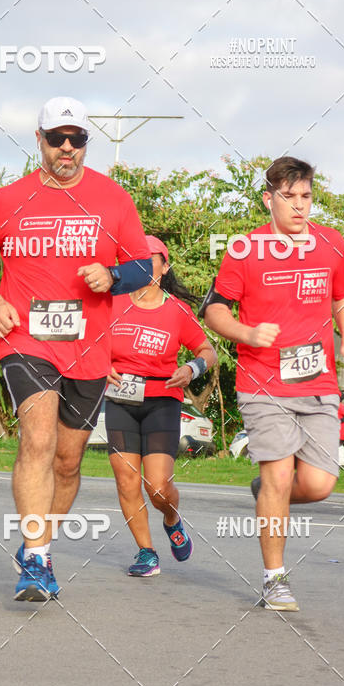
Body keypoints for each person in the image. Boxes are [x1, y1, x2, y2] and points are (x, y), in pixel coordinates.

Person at [0, 96, 152, 601]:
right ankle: (37, 561)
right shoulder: (8, 199)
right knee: (37, 441)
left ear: (87, 143)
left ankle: (40, 541)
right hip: (26, 339)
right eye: (57, 138)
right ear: (38, 140)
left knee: (67, 461)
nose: (67, 148)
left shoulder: (113, 199)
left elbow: (145, 267)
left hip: (89, 347)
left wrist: (113, 275)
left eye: (78, 139)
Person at [203, 156, 344, 612]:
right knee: (280, 473)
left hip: (318, 382)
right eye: (289, 197)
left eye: (306, 196)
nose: (300, 206)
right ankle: (275, 580)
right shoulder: (244, 250)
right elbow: (214, 310)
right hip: (263, 381)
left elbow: (341, 294)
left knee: (321, 483)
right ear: (269, 199)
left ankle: (268, 491)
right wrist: (246, 333)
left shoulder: (331, 243)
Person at [105, 236, 217, 576]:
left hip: (161, 402)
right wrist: (99, 364)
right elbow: (88, 340)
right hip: (120, 400)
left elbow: (208, 352)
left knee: (156, 486)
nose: (141, 265)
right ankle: (146, 552)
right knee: (126, 480)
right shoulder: (113, 303)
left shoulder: (177, 311)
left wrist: (191, 369)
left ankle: (171, 518)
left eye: (149, 259)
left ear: (164, 267)